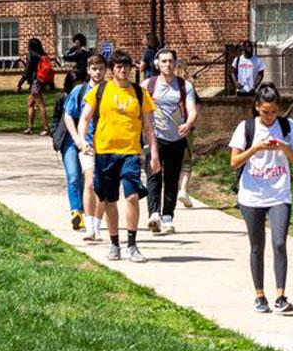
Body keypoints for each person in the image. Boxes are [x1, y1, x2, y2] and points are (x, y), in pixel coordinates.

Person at [229, 82, 293, 312]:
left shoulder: (287, 126)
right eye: (265, 112)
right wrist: (256, 148)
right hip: (252, 194)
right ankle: (260, 296)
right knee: (256, 246)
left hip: (279, 192)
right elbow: (234, 162)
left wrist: (282, 146)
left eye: (273, 112)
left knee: (279, 242)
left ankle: (281, 296)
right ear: (256, 108)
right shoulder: (246, 127)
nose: (270, 117)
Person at [78, 50, 159, 263]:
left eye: (126, 67)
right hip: (104, 152)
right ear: (112, 70)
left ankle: (132, 244)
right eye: (118, 67)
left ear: (131, 69)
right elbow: (85, 118)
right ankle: (115, 244)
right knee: (109, 199)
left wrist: (154, 154)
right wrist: (82, 141)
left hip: (130, 152)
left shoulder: (140, 94)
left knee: (132, 197)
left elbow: (149, 127)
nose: (123, 71)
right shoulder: (100, 91)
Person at [144, 47, 199, 234]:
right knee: (153, 177)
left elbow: (192, 111)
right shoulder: (148, 85)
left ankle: (167, 218)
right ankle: (154, 214)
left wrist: (188, 124)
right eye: (164, 61)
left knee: (171, 179)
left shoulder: (185, 86)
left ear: (175, 63)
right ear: (157, 64)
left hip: (176, 138)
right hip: (154, 137)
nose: (167, 64)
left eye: (170, 61)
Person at [63, 54, 108, 237]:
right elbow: (68, 116)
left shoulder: (110, 90)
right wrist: (78, 140)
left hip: (106, 145)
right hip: (87, 145)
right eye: (94, 69)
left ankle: (96, 223)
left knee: (102, 187)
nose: (98, 72)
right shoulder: (80, 91)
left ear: (106, 70)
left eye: (101, 69)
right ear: (89, 70)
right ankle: (89, 225)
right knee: (88, 184)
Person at [18, 37, 51, 135]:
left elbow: (27, 71)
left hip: (35, 82)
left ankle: (46, 128)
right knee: (30, 104)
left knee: (40, 105)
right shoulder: (42, 55)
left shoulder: (31, 55)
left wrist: (20, 83)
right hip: (40, 82)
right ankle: (30, 127)